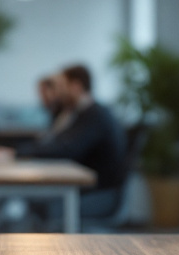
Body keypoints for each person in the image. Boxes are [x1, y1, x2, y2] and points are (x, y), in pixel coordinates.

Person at [18, 64, 127, 218]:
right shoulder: (78, 114)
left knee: (39, 205)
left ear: (75, 87)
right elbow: (54, 143)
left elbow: (65, 148)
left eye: (61, 86)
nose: (57, 93)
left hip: (100, 195)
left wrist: (18, 152)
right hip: (84, 190)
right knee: (30, 200)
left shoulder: (96, 116)